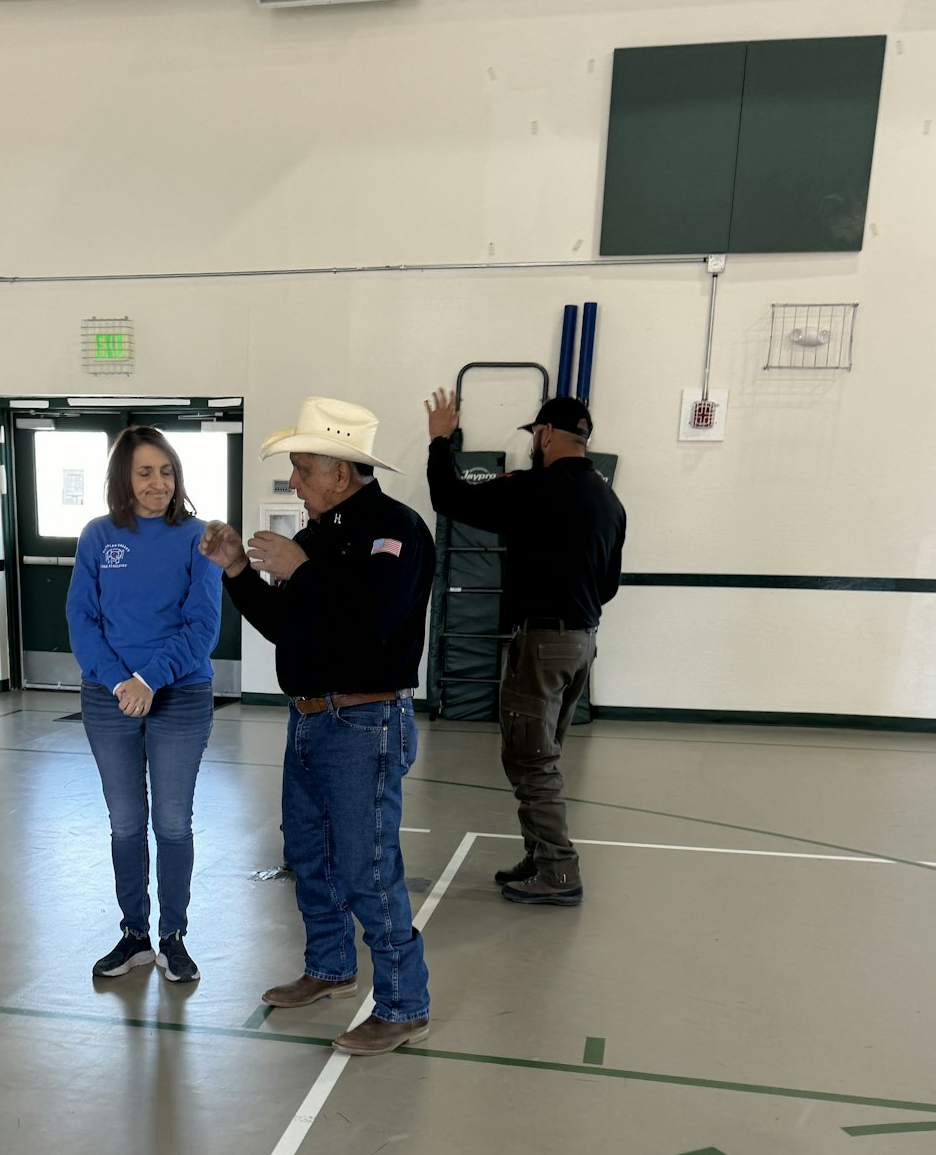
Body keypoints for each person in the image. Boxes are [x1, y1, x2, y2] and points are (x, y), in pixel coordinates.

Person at [199, 397, 435, 1057]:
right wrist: (240, 573)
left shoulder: (397, 529)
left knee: (367, 867)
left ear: (338, 469)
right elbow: (284, 623)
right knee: (309, 856)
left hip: (364, 722)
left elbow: (376, 620)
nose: (295, 483)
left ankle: (403, 1005)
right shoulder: (317, 536)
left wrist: (302, 571)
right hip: (309, 720)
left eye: (302, 470)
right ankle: (330, 966)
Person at [425, 389, 626, 907]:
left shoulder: (533, 488)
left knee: (531, 759)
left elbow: (449, 499)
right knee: (538, 753)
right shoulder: (610, 502)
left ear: (544, 435)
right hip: (581, 642)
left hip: (540, 644)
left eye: (535, 436)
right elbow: (608, 587)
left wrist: (440, 440)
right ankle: (538, 854)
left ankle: (559, 872)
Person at [67, 426, 223, 984]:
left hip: (179, 696)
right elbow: (82, 620)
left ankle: (173, 936)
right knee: (126, 823)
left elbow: (202, 625)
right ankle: (134, 934)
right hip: (110, 698)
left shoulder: (199, 536)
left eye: (166, 471)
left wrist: (149, 680)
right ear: (123, 480)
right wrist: (120, 683)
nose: (159, 483)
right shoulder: (97, 535)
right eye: (145, 472)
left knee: (173, 823)